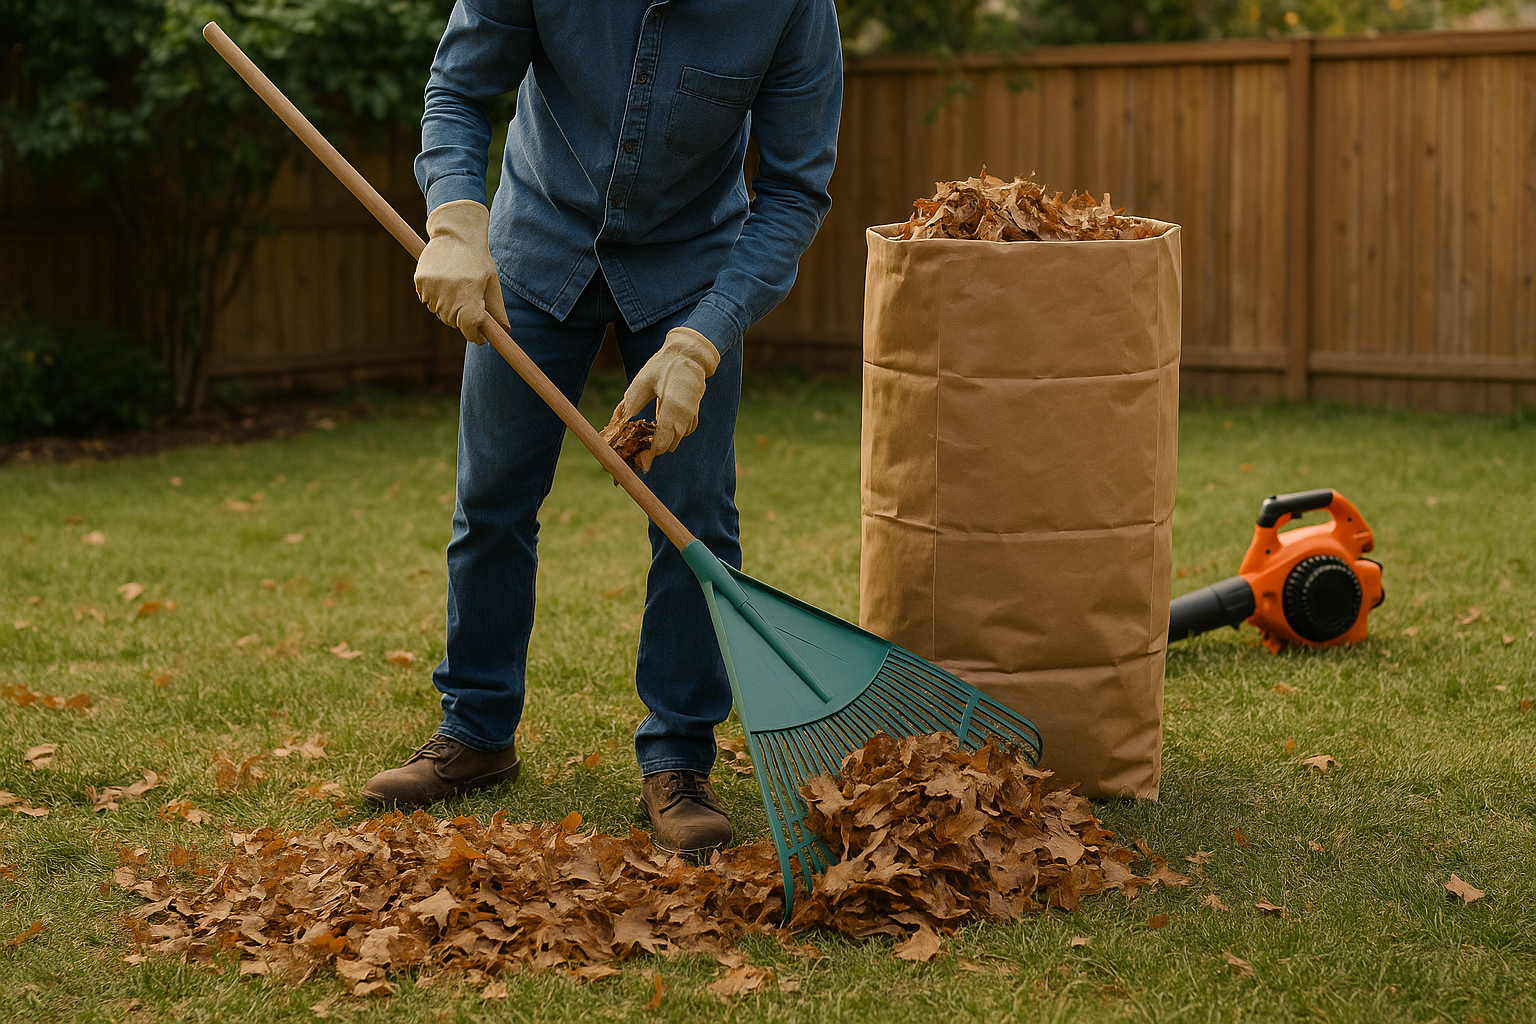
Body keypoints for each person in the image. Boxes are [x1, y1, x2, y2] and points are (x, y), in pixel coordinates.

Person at [359, 0, 843, 858]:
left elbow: (795, 190)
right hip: (536, 246)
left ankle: (679, 756)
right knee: (493, 498)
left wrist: (704, 338)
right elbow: (458, 89)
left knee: (695, 516)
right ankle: (476, 731)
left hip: (693, 271)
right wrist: (456, 220)